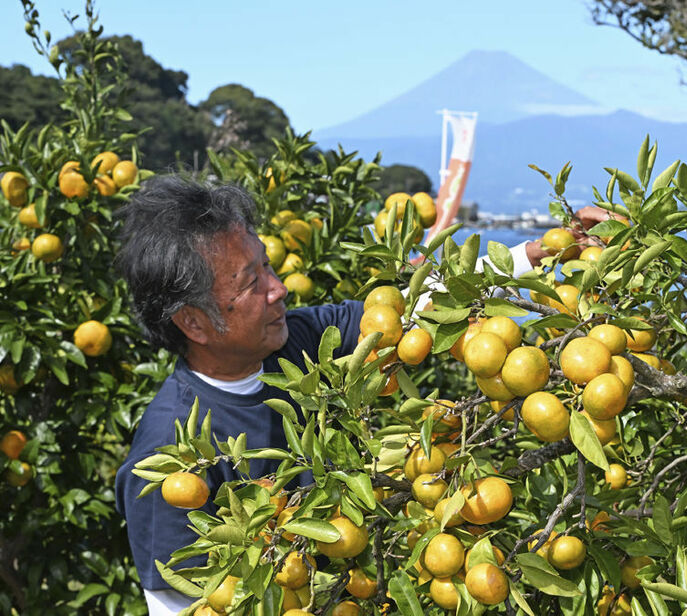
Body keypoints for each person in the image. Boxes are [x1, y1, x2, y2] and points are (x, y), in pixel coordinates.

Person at [114, 175, 612, 614]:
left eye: (267, 266)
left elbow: (415, 310)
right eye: (251, 283)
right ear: (194, 321)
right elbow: (182, 603)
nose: (279, 288)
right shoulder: (170, 458)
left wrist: (542, 252)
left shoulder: (300, 340)